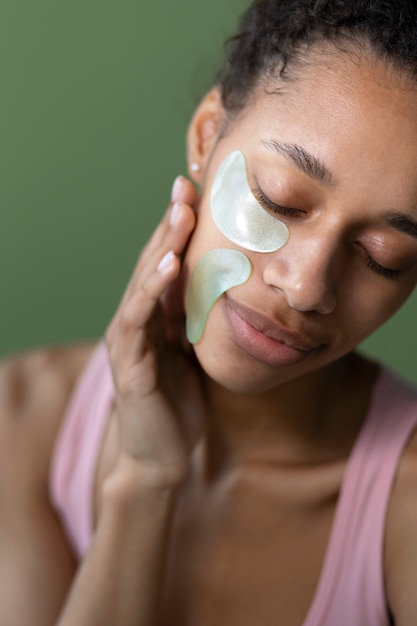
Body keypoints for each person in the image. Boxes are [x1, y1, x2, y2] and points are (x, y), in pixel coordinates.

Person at [2, 0, 417, 624]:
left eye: (383, 256)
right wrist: (145, 480)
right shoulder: (19, 424)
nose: (307, 287)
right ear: (205, 137)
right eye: (280, 201)